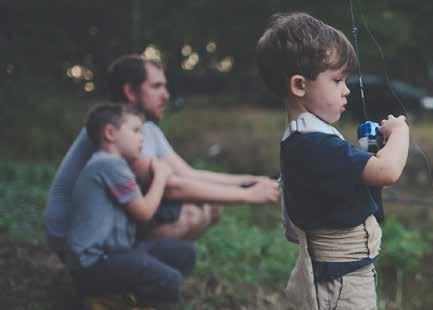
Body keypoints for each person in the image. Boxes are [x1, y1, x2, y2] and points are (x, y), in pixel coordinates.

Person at [44, 54, 280, 259]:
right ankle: (122, 280)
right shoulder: (117, 132)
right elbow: (171, 187)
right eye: (156, 87)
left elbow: (190, 174)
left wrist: (252, 179)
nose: (166, 95)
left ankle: (138, 273)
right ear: (130, 91)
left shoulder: (146, 129)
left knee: (210, 206)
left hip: (106, 225)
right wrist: (248, 195)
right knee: (190, 213)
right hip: (72, 236)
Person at [256, 13, 409, 309]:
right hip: (340, 283)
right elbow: (387, 171)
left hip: (342, 276)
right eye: (337, 80)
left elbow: (359, 184)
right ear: (299, 85)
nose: (346, 89)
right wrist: (400, 131)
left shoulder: (308, 137)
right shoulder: (313, 144)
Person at [65, 103, 193, 306]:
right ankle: (105, 298)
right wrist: (161, 175)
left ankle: (121, 296)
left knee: (184, 253)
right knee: (169, 280)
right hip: (93, 265)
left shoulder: (113, 165)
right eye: (135, 130)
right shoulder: (109, 165)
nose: (142, 137)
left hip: (115, 256)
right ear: (110, 133)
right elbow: (144, 212)